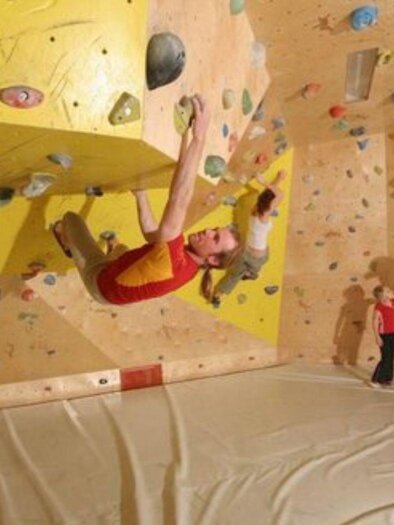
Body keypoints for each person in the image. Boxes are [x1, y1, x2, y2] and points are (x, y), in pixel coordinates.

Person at [52, 94, 241, 305]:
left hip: (100, 284)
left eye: (215, 238)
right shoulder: (187, 261)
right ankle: (114, 250)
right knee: (122, 249)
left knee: (70, 220)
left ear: (213, 260)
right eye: (215, 229)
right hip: (121, 274)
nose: (208, 231)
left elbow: (180, 197)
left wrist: (199, 137)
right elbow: (154, 236)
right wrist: (141, 196)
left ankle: (67, 242)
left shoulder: (173, 262)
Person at [209, 169, 286, 307]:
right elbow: (279, 195)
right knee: (245, 272)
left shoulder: (255, 210)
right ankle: (250, 274)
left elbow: (269, 195)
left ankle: (218, 295)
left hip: (246, 253)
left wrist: (279, 178)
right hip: (257, 257)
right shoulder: (263, 217)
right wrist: (264, 182)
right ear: (269, 207)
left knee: (234, 275)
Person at [370, 285, 394, 388]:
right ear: (382, 296)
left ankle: (387, 378)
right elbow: (375, 322)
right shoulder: (379, 307)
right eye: (388, 291)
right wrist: (377, 337)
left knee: (391, 357)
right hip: (385, 335)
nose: (391, 291)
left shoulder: (392, 302)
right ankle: (375, 379)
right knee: (386, 357)